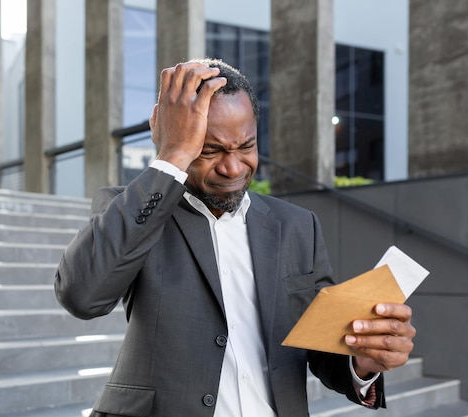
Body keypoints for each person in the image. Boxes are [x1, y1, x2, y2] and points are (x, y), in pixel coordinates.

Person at [55, 58, 416, 417]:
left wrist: (363, 362)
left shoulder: (296, 226)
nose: (232, 167)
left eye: (245, 147)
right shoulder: (134, 210)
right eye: (208, 150)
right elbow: (82, 296)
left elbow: (319, 349)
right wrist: (173, 156)